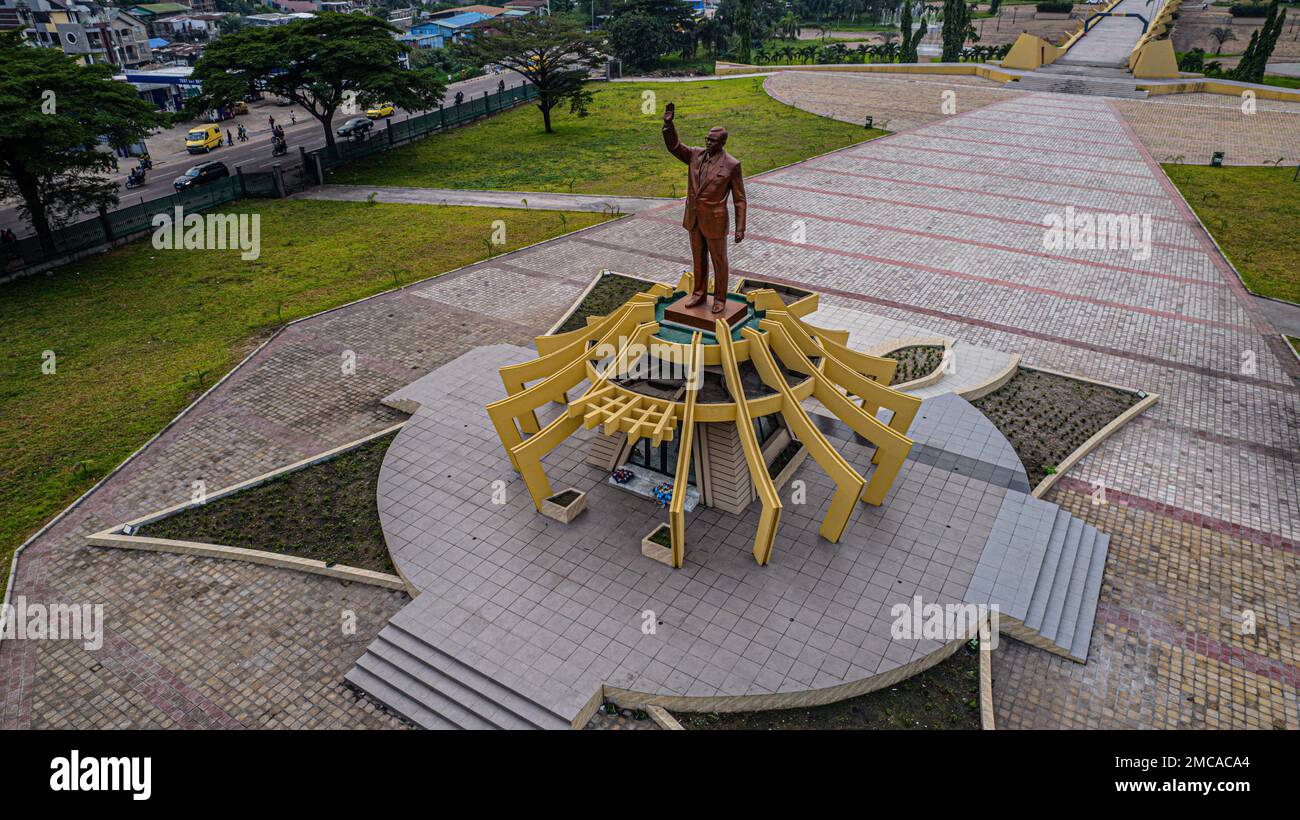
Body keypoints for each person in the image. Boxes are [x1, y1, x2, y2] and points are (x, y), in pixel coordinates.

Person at [660, 102, 746, 314]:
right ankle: (698, 294)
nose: (708, 142)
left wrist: (740, 227)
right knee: (698, 258)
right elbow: (675, 147)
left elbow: (739, 199)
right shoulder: (695, 155)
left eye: (713, 141)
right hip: (694, 218)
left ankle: (719, 298)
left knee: (719, 261)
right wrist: (669, 126)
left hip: (715, 221)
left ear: (722, 143)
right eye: (707, 138)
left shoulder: (731, 165)